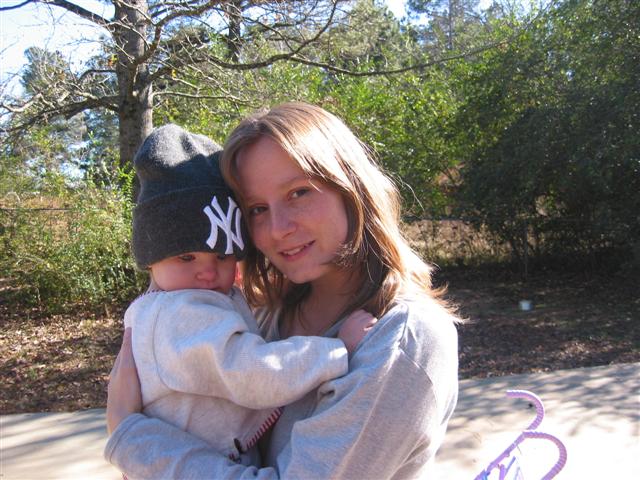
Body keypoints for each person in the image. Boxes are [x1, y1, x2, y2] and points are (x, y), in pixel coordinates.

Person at [105, 102, 460, 479]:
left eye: (298, 192)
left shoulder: (402, 340)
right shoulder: (262, 316)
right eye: (257, 209)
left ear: (352, 187)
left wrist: (132, 439)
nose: (278, 228)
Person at [121, 123, 376, 466]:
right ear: (151, 261)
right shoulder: (180, 314)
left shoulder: (178, 302)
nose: (208, 271)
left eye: (222, 256)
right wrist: (336, 350)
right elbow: (252, 373)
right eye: (186, 257)